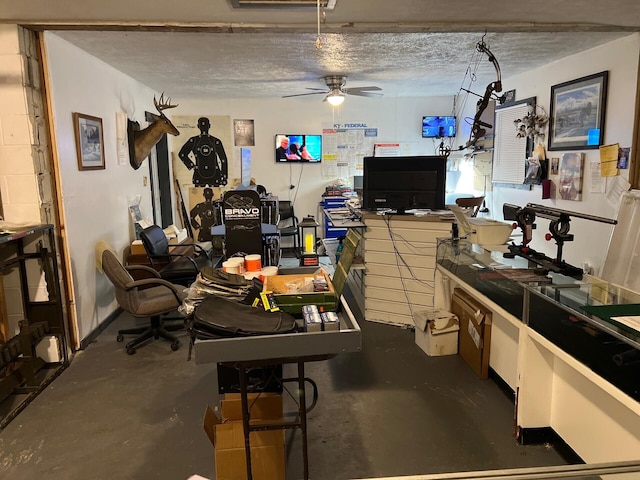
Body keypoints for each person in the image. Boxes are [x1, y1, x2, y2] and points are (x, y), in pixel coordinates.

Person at [178, 117, 228, 187]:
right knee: (209, 197)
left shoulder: (194, 140)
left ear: (198, 126)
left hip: (203, 175)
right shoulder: (215, 141)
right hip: (211, 176)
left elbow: (182, 154)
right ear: (209, 126)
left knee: (202, 197)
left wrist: (192, 166)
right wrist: (224, 176)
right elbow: (223, 160)